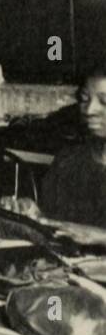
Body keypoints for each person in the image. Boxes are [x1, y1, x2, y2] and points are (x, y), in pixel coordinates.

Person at [40, 66, 106, 232]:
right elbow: (54, 220)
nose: (90, 110)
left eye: (104, 102)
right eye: (84, 99)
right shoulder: (68, 160)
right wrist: (35, 215)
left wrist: (99, 236)